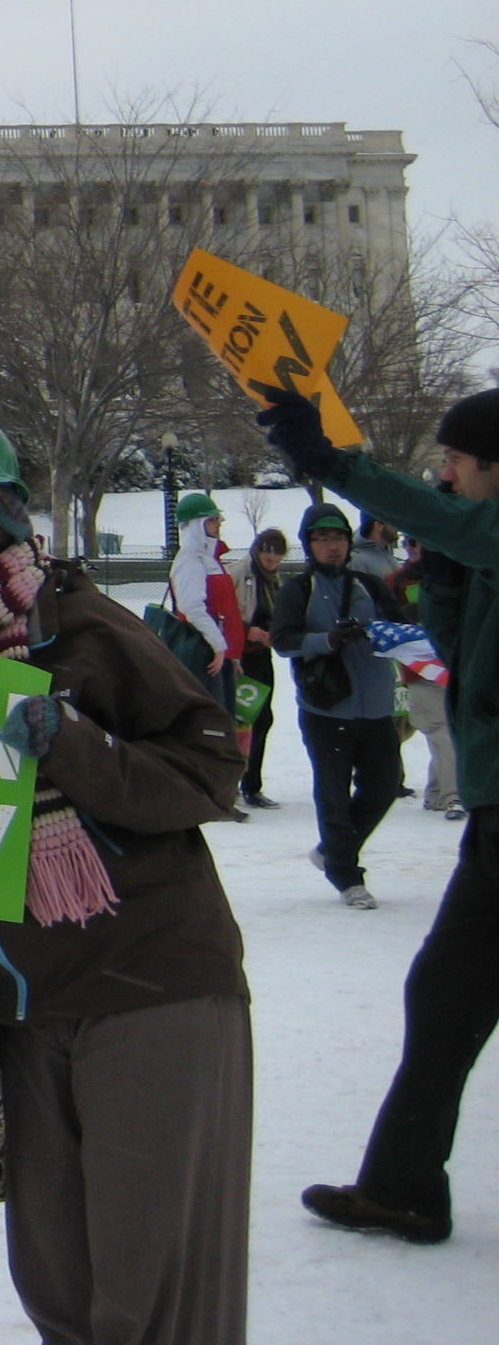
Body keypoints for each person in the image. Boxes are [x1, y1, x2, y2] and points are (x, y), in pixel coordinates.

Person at [0, 402, 249, 1345]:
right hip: (21, 1011)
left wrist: (72, 745)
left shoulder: (80, 625)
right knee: (60, 1290)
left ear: (6, 521)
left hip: (150, 987)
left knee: (152, 1297)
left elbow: (210, 767)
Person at [260, 381, 499, 1243]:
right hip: (496, 818)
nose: (445, 474)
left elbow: (464, 526)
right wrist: (441, 573)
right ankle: (402, 1186)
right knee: (442, 996)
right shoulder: (481, 544)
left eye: (458, 461)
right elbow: (454, 647)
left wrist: (331, 463)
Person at [273, 502, 404, 908]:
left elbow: (399, 626)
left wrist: (376, 633)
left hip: (376, 704)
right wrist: (327, 640)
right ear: (309, 545)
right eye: (322, 539)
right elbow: (284, 640)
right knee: (332, 793)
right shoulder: (299, 589)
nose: (332, 547)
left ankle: (334, 850)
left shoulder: (369, 584)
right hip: (326, 708)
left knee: (384, 785)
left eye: (338, 538)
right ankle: (347, 875)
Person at [390, 535, 466, 819]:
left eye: (421, 542)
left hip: (449, 665)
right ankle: (452, 795)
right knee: (441, 731)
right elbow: (385, 621)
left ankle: (436, 793)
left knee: (443, 732)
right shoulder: (397, 580)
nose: (415, 548)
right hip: (418, 669)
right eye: (410, 542)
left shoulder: (448, 575)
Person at [229, 527, 290, 809]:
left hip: (262, 655)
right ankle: (244, 784)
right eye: (268, 560)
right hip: (243, 658)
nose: (272, 566)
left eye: (277, 561)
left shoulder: (272, 581)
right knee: (247, 719)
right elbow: (226, 615)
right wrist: (247, 630)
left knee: (262, 719)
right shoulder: (240, 574)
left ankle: (250, 781)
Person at [166, 491, 242, 702]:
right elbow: (192, 608)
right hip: (202, 655)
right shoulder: (190, 560)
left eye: (218, 519)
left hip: (217, 655)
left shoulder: (209, 559)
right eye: (211, 520)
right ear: (195, 525)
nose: (218, 525)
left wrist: (231, 652)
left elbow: (226, 608)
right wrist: (219, 647)